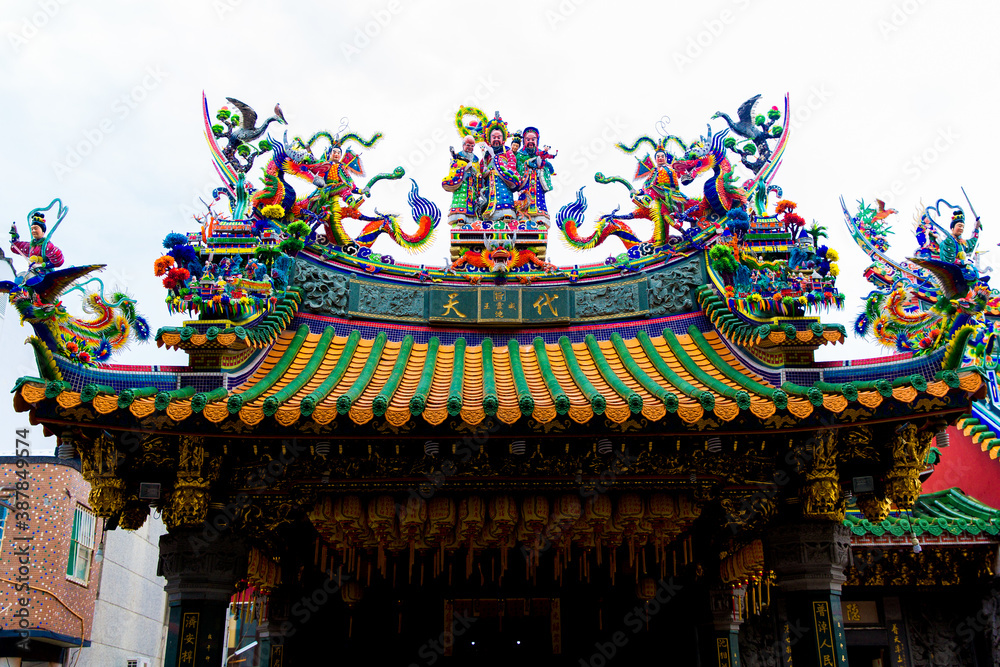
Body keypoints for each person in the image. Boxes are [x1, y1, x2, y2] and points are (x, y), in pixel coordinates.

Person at [477, 113, 521, 223]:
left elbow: (512, 164)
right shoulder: (485, 155)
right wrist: (484, 173)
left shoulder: (508, 151)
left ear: (503, 139)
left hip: (503, 180)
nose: (496, 139)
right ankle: (489, 216)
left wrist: (504, 170)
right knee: (488, 198)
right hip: (490, 182)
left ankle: (506, 214)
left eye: (498, 137)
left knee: (504, 196)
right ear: (489, 139)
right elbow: (481, 169)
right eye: (494, 137)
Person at [515, 127, 556, 228]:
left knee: (539, 200)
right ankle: (523, 217)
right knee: (524, 200)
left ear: (537, 141)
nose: (530, 142)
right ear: (524, 141)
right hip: (526, 184)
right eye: (528, 139)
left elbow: (547, 166)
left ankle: (540, 217)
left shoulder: (541, 154)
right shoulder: (519, 155)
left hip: (538, 183)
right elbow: (516, 169)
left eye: (533, 139)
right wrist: (526, 165)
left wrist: (542, 168)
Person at [442, 135, 480, 225]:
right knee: (461, 200)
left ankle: (473, 220)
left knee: (472, 202)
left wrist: (478, 175)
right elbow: (453, 170)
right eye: (468, 145)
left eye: (472, 146)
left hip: (472, 186)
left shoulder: (475, 159)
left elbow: (478, 172)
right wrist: (464, 170)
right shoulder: (457, 157)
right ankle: (460, 218)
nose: (470, 148)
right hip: (462, 184)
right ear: (463, 145)